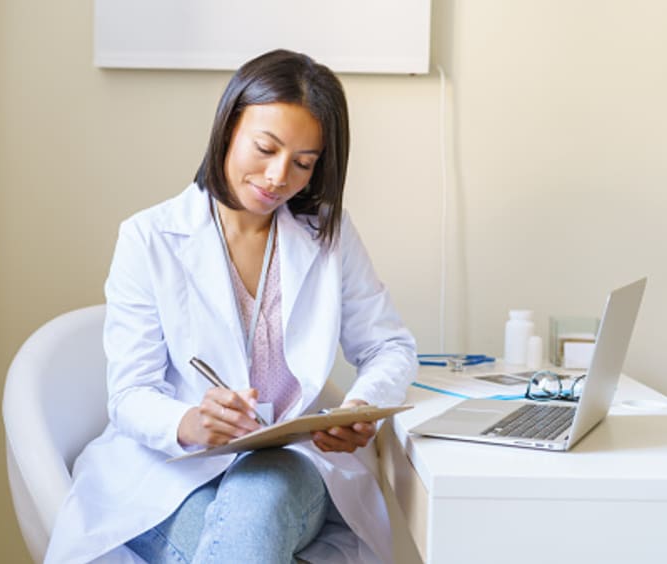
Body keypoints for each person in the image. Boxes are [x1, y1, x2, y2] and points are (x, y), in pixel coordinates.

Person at [45, 49, 417, 564]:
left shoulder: (329, 236)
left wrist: (361, 406)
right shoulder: (149, 238)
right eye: (265, 148)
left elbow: (389, 346)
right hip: (173, 473)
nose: (278, 177)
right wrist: (190, 422)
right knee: (242, 541)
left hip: (289, 468)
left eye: (304, 163)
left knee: (259, 495)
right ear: (227, 129)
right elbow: (130, 394)